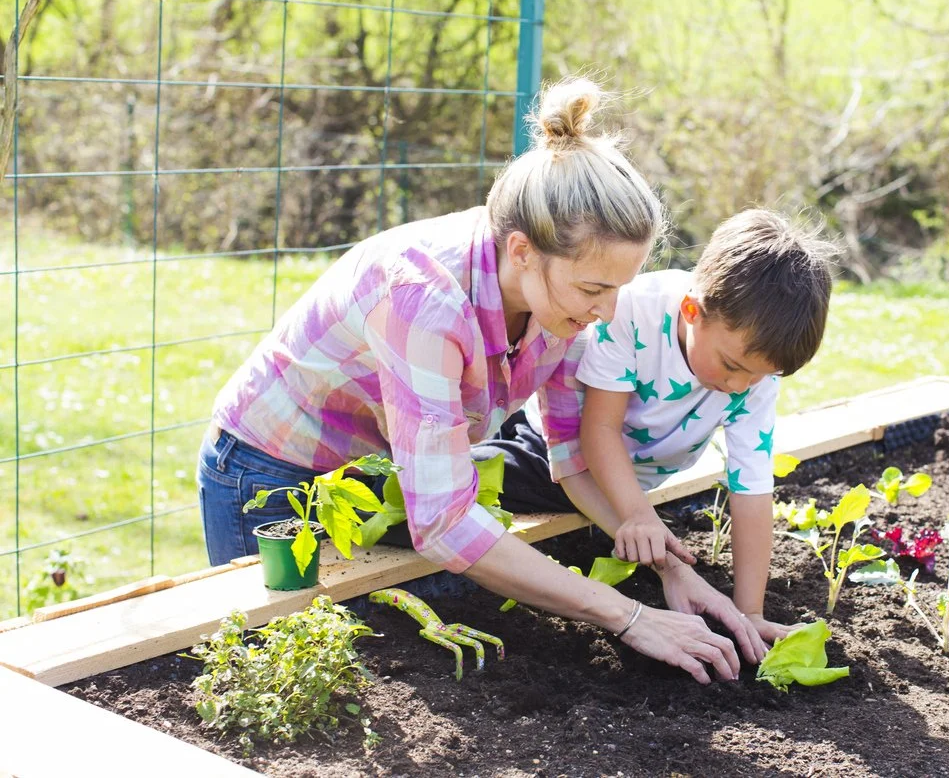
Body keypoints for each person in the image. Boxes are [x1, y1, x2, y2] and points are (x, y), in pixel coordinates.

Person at [198, 77, 757, 683]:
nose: (609, 312)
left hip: (374, 476)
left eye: (619, 288)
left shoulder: (560, 304)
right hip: (272, 470)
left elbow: (568, 457)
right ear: (521, 251)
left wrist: (672, 570)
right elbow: (441, 523)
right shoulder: (424, 298)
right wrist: (627, 617)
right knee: (285, 672)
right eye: (595, 289)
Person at [481, 209, 835, 652]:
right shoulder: (636, 310)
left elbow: (752, 490)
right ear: (693, 310)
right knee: (469, 482)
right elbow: (599, 431)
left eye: (760, 376)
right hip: (550, 452)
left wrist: (751, 614)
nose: (739, 386)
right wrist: (636, 515)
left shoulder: (752, 373)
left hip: (627, 481)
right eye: (731, 366)